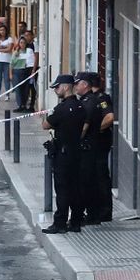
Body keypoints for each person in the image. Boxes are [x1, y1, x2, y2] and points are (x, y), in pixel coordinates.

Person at [41, 74, 87, 234]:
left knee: (62, 189)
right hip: (77, 153)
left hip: (63, 154)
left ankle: (60, 223)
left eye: (57, 87)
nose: (55, 90)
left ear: (66, 87)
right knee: (75, 188)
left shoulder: (61, 109)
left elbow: (45, 125)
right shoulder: (80, 106)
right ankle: (75, 222)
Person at [78, 72, 115, 223]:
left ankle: (104, 212)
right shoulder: (89, 99)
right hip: (93, 145)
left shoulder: (101, 98)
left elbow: (110, 117)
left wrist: (95, 130)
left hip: (100, 144)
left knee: (100, 178)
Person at [10, 38, 33, 113]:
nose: (22, 44)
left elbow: (31, 61)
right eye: (21, 42)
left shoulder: (28, 52)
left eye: (24, 43)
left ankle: (24, 105)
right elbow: (11, 64)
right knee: (18, 90)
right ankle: (20, 105)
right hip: (17, 72)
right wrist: (10, 74)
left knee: (26, 90)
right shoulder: (16, 52)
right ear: (19, 44)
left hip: (26, 71)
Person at [0, 25, 14, 101]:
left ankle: (7, 95)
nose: (2, 31)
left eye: (3, 30)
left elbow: (9, 49)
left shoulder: (10, 39)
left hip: (7, 60)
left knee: (6, 78)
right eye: (0, 30)